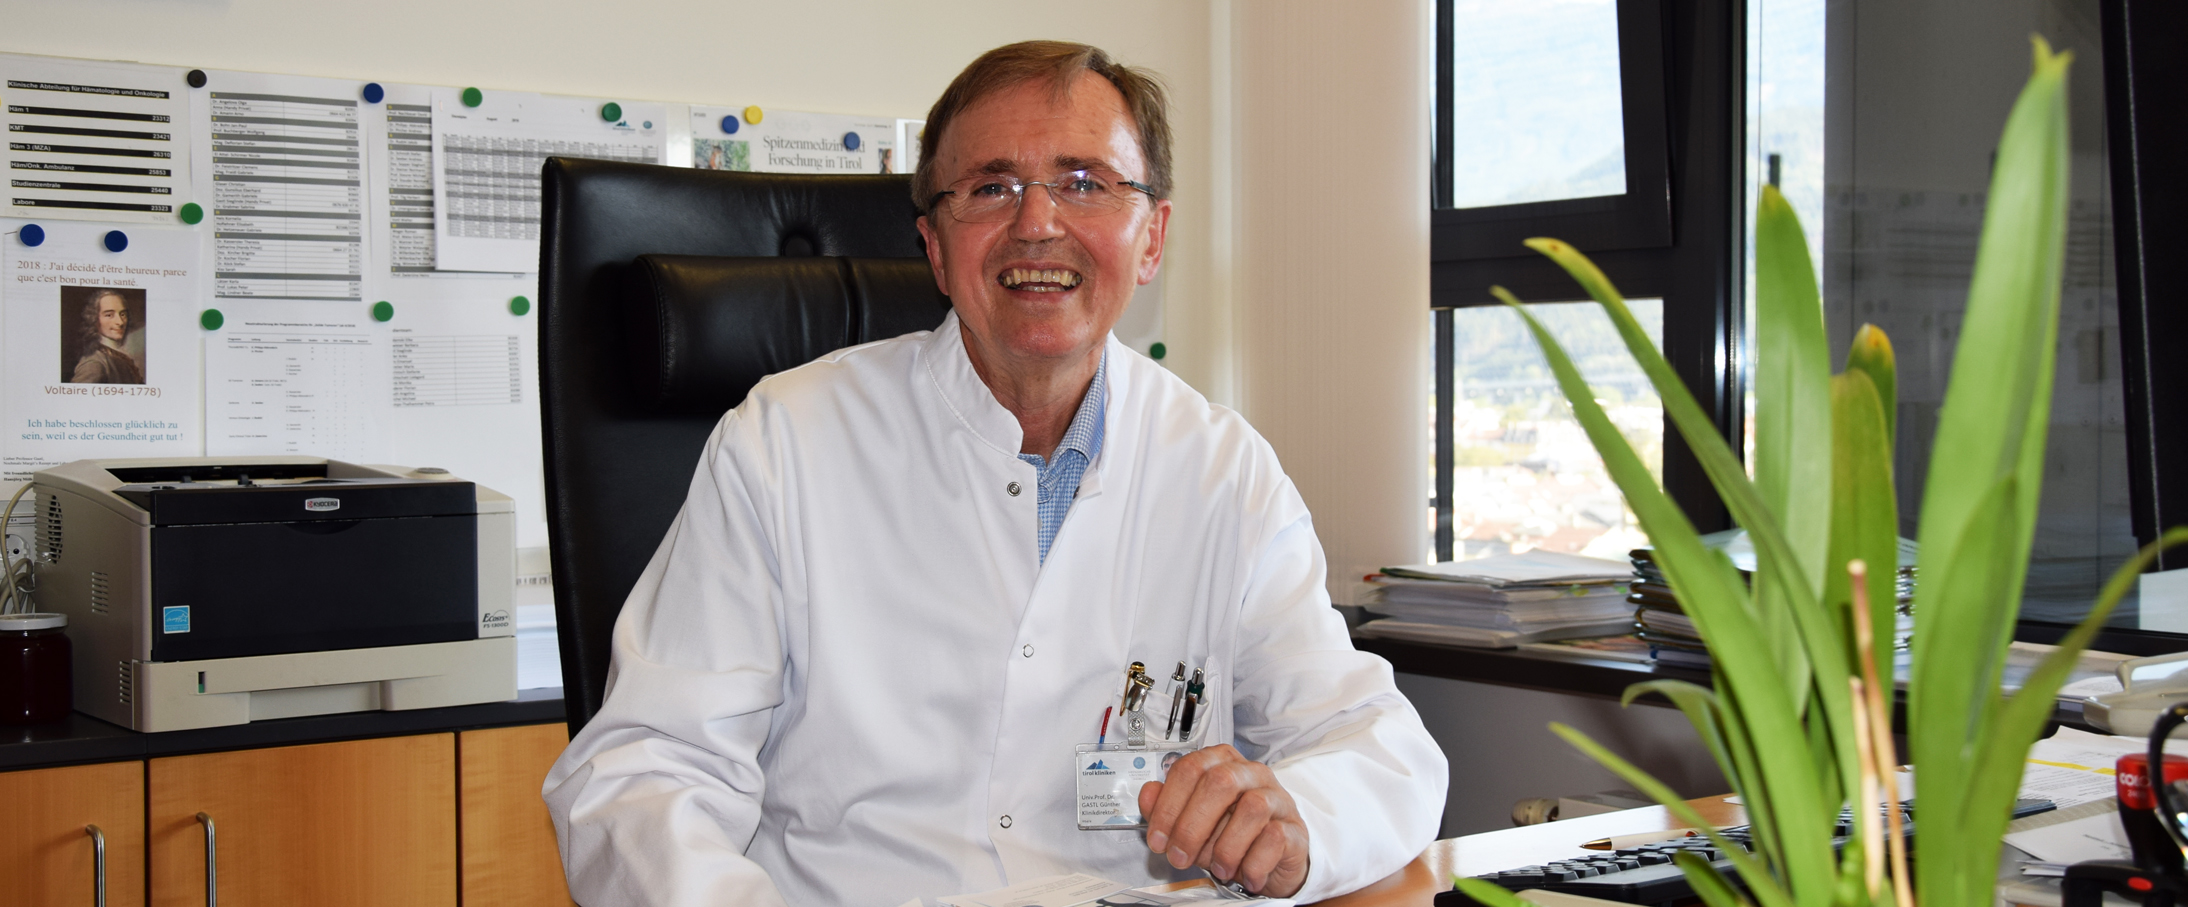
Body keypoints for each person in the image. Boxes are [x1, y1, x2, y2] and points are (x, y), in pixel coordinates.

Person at [543, 41, 1447, 907]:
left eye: (1085, 182)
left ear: (1152, 237)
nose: (1038, 223)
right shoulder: (783, 443)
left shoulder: (1222, 468)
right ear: (936, 247)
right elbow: (641, 774)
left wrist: (1296, 825)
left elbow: (1378, 748)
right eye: (991, 187)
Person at [69, 289, 143, 384]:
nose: (120, 322)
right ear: (94, 319)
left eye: (123, 314)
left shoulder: (118, 356)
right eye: (109, 315)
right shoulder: (94, 363)